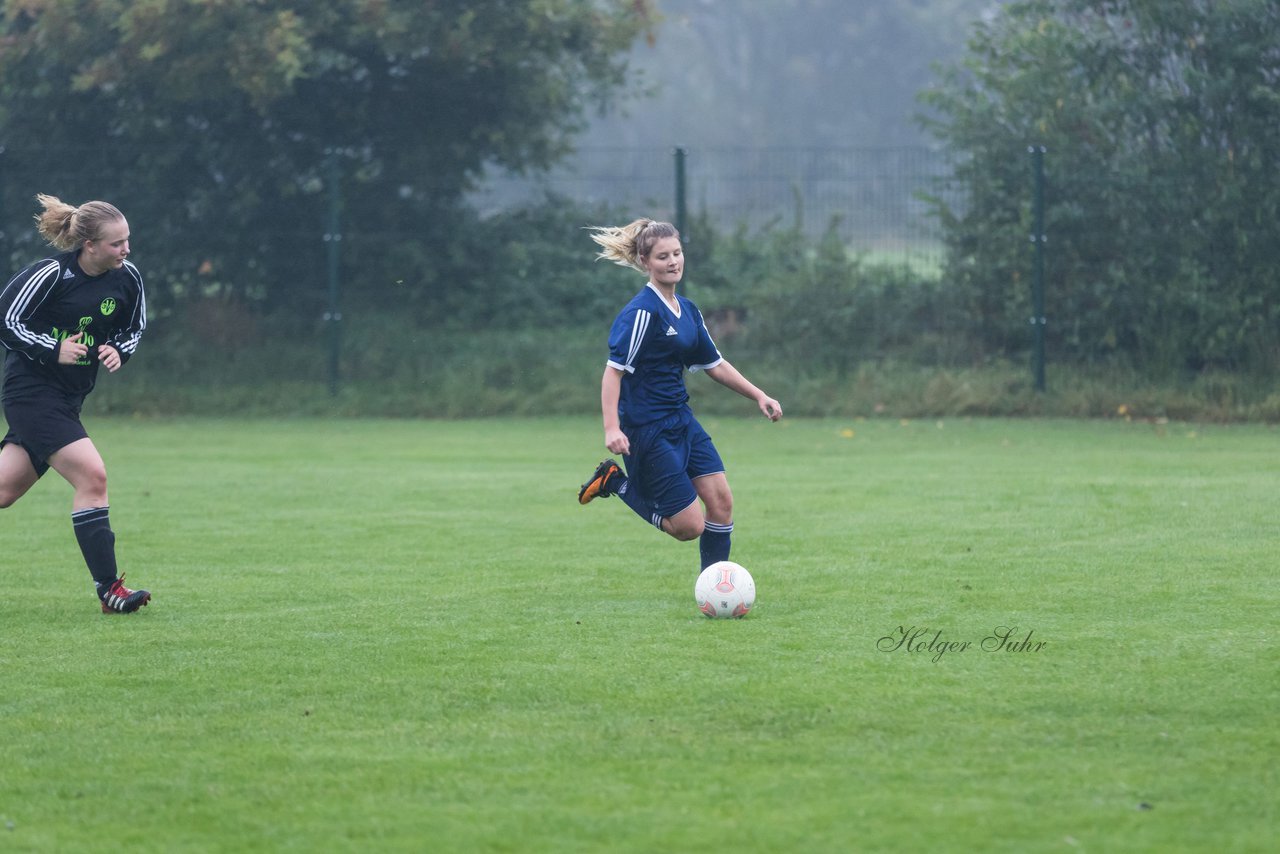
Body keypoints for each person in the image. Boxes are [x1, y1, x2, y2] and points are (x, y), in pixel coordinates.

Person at [577, 218, 782, 572]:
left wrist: (758, 395)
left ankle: (715, 586)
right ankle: (615, 482)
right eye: (662, 257)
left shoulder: (687, 310)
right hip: (646, 429)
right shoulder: (642, 312)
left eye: (677, 253)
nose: (673, 262)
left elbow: (714, 364)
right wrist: (613, 428)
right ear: (645, 262)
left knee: (721, 503)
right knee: (689, 527)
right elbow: (613, 371)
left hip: (681, 420)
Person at [0, 194, 151, 613]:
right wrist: (52, 349)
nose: (126, 249)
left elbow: (134, 325)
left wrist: (119, 349)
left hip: (68, 399)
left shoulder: (127, 277)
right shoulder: (51, 274)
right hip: (30, 394)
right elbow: (5, 319)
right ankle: (110, 591)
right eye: (117, 243)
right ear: (90, 246)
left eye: (127, 240)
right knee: (93, 477)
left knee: (4, 490)